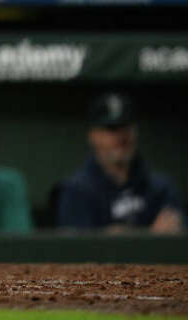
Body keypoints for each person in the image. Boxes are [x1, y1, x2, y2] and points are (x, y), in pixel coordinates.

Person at [57, 92, 184, 233]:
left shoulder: (161, 188)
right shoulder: (76, 191)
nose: (120, 137)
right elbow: (76, 250)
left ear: (135, 131)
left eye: (125, 127)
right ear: (93, 135)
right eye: (111, 129)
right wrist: (149, 236)